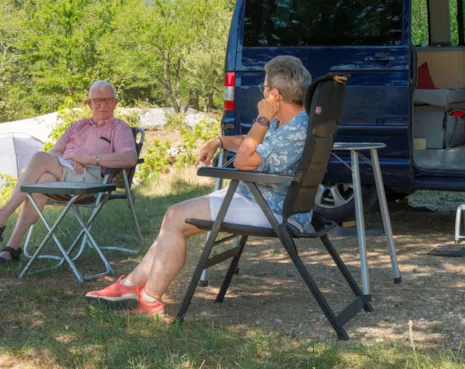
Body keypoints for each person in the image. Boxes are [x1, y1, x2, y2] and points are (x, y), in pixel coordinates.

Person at [85, 55, 312, 315]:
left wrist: (262, 119)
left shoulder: (291, 131)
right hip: (260, 196)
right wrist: (218, 141)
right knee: (173, 219)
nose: (261, 96)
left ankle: (147, 298)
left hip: (270, 207)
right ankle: (131, 285)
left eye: (263, 89)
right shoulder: (292, 122)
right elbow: (251, 143)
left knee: (175, 217)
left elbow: (244, 160)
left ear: (275, 95)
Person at [0, 80, 139, 267]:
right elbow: (55, 151)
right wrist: (69, 160)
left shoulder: (119, 128)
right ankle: (10, 250)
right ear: (89, 103)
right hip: (67, 173)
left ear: (116, 102)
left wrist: (89, 159)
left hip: (91, 181)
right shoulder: (76, 126)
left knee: (39, 157)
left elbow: (129, 157)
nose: (103, 105)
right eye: (98, 100)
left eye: (108, 100)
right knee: (43, 179)